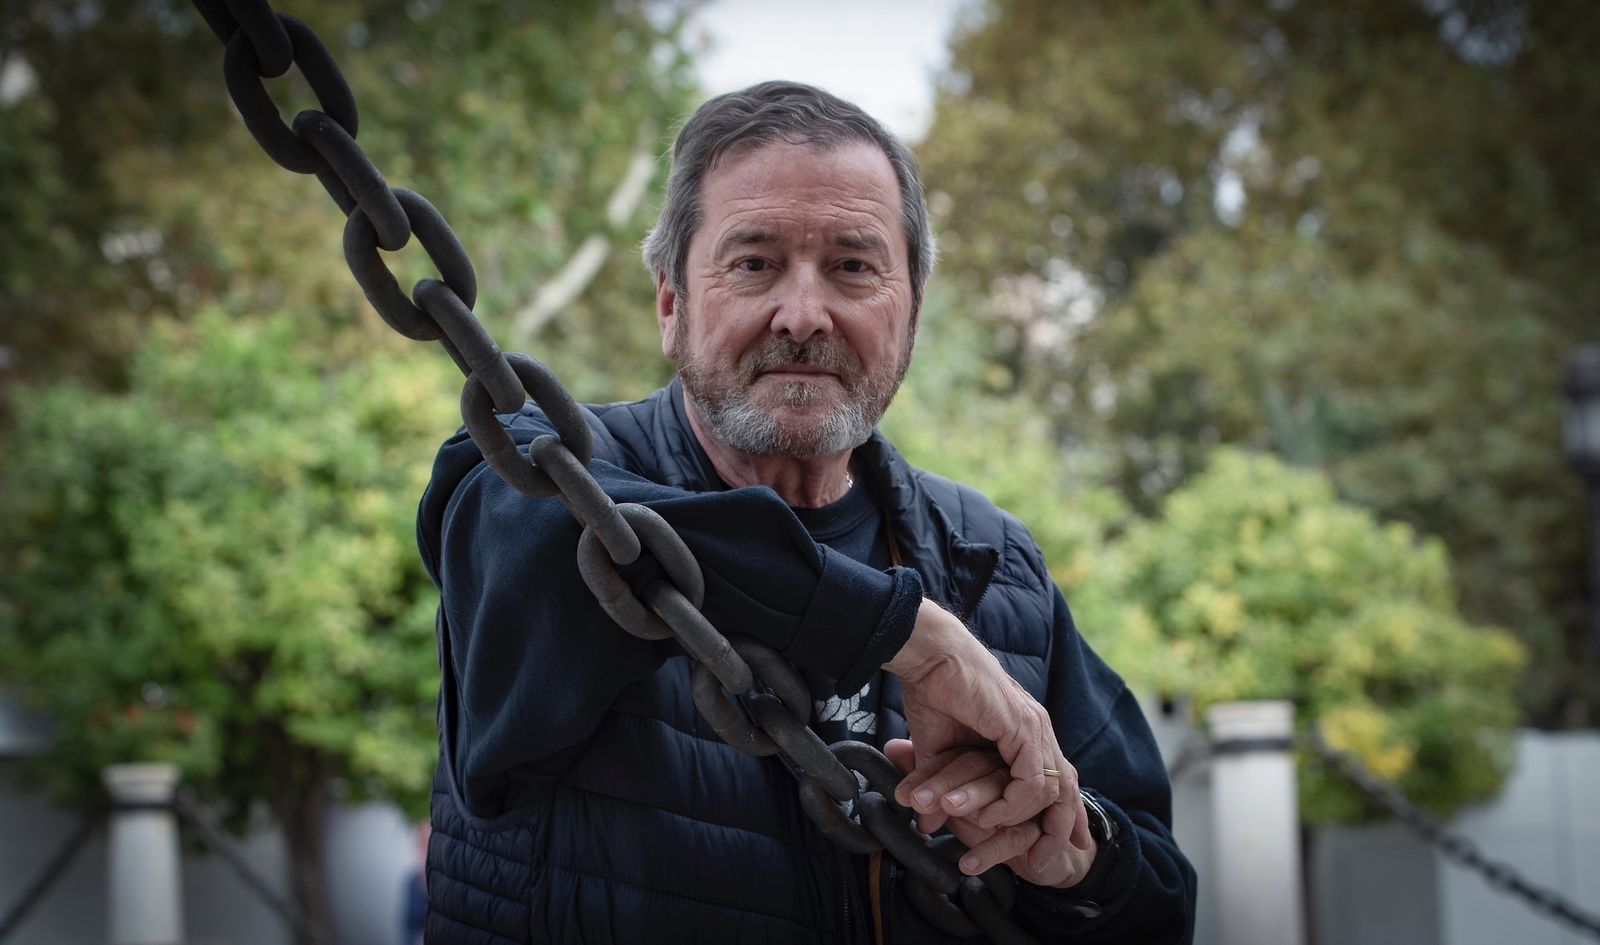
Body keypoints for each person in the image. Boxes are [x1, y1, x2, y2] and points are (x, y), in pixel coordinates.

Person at [417, 81, 1196, 944]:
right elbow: (587, 537)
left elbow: (1159, 897)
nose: (803, 314)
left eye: (854, 266)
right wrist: (909, 635)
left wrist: (1075, 855)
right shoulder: (529, 482)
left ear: (911, 313)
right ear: (671, 304)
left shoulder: (993, 562)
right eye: (753, 263)